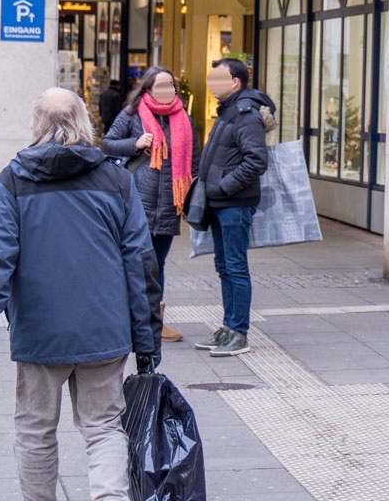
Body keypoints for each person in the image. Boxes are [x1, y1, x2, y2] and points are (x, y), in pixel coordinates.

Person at [0, 88, 160, 501]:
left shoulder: (11, 181)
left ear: (35, 124)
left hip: (40, 332)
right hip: (104, 328)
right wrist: (147, 338)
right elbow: (141, 263)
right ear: (84, 123)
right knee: (104, 426)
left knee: (35, 429)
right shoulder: (115, 180)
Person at [190, 57, 275, 357]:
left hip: (234, 203)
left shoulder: (245, 114)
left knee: (236, 267)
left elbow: (256, 161)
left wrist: (224, 187)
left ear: (234, 82)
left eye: (217, 78)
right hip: (220, 202)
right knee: (224, 266)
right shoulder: (228, 110)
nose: (211, 84)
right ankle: (228, 328)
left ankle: (239, 332)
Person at [103, 65, 194, 343]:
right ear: (148, 88)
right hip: (136, 202)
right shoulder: (132, 114)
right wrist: (135, 143)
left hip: (168, 205)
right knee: (132, 261)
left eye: (170, 85)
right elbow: (107, 144)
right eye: (160, 85)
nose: (166, 90)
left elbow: (195, 160)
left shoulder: (184, 118)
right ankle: (125, 319)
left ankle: (155, 322)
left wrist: (192, 196)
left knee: (157, 265)